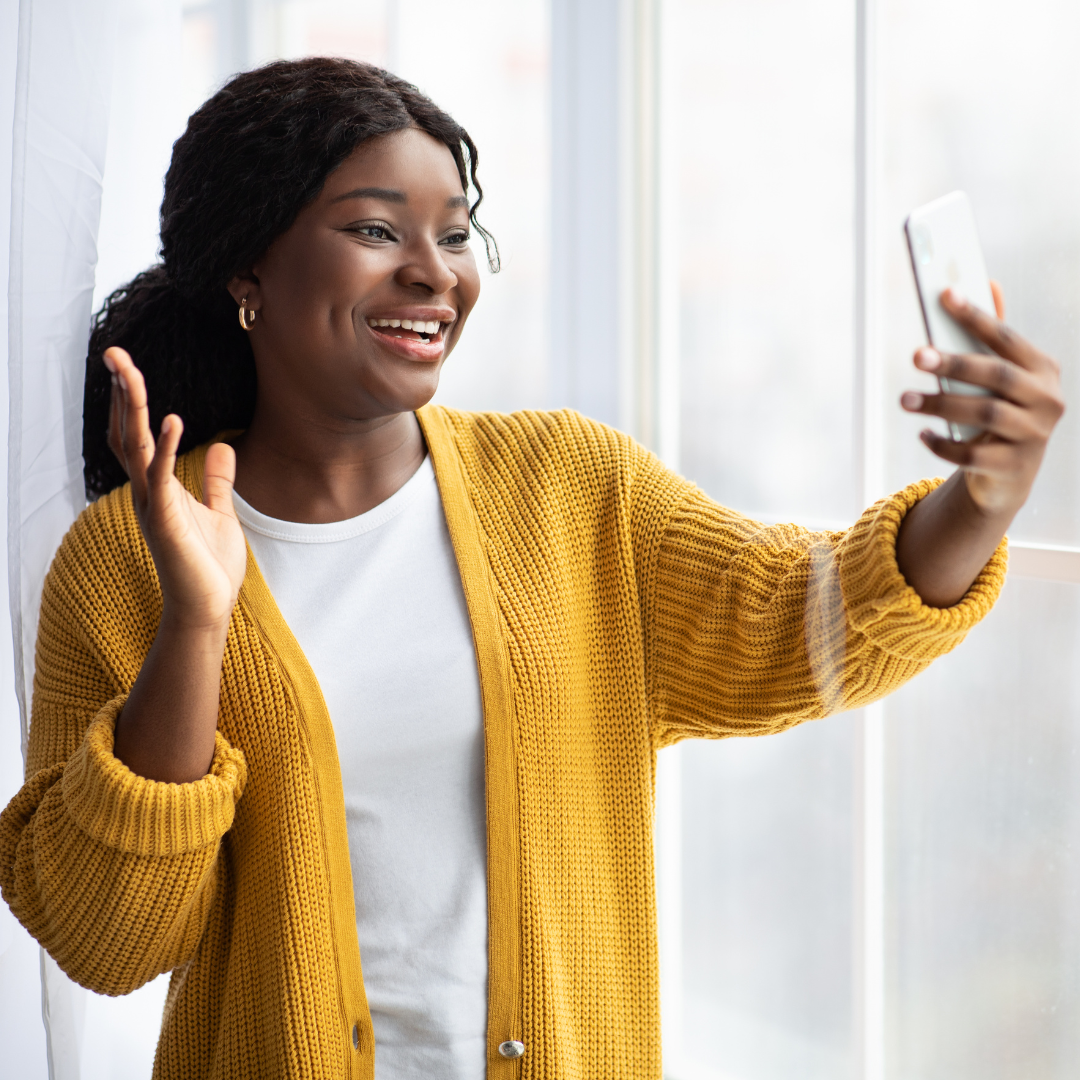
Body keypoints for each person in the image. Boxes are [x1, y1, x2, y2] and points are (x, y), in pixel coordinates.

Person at [0, 57, 1063, 1080]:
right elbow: (108, 940)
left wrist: (981, 500)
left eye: (456, 233)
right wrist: (193, 627)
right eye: (377, 230)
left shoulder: (573, 490)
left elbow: (802, 616)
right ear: (249, 272)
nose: (434, 270)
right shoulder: (123, 560)